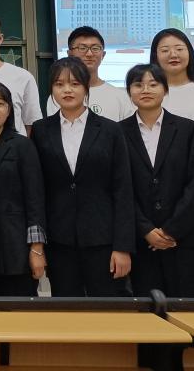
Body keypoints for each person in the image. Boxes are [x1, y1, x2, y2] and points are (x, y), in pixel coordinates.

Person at [31, 57, 134, 297]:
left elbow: (123, 190)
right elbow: (37, 189)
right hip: (59, 240)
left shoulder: (111, 130)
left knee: (109, 308)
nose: (67, 90)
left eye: (75, 84)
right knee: (67, 310)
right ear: (51, 90)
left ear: (86, 87)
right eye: (59, 84)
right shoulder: (41, 130)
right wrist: (38, 246)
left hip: (103, 239)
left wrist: (123, 247)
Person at [121, 64, 194, 297]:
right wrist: (146, 229)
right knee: (148, 309)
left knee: (188, 306)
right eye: (138, 85)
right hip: (141, 242)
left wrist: (171, 230)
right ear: (129, 92)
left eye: (153, 84)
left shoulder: (186, 128)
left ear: (165, 89)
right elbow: (120, 188)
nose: (145, 90)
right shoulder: (118, 132)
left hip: (185, 239)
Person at [0, 81, 47, 297]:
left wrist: (36, 249)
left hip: (15, 248)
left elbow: (35, 199)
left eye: (0, 103)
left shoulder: (23, 145)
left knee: (19, 311)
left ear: (10, 109)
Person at [46, 26, 134, 121]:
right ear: (69, 53)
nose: (89, 54)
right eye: (82, 48)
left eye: (95, 48)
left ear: (103, 54)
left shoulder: (120, 97)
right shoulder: (59, 96)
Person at [149, 28, 194, 129]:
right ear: (155, 56)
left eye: (179, 49)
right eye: (165, 50)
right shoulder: (145, 94)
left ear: (189, 53)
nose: (173, 55)